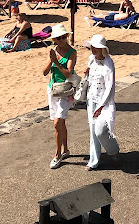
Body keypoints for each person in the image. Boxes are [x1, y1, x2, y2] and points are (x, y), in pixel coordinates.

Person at [83, 34, 120, 171]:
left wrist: (101, 105)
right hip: (91, 99)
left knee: (101, 131)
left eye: (96, 47)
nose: (93, 49)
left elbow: (110, 87)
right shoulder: (91, 60)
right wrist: (86, 73)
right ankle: (94, 161)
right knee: (93, 131)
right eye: (92, 47)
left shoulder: (109, 64)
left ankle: (113, 150)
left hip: (104, 103)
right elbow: (89, 80)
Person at [43, 24, 77, 169]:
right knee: (60, 123)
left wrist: (56, 61)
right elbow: (44, 72)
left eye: (64, 37)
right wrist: (51, 60)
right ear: (55, 39)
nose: (63, 40)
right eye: (59, 38)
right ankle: (65, 149)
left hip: (65, 91)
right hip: (53, 89)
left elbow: (68, 73)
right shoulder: (54, 51)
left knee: (57, 123)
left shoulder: (72, 52)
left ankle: (57, 155)